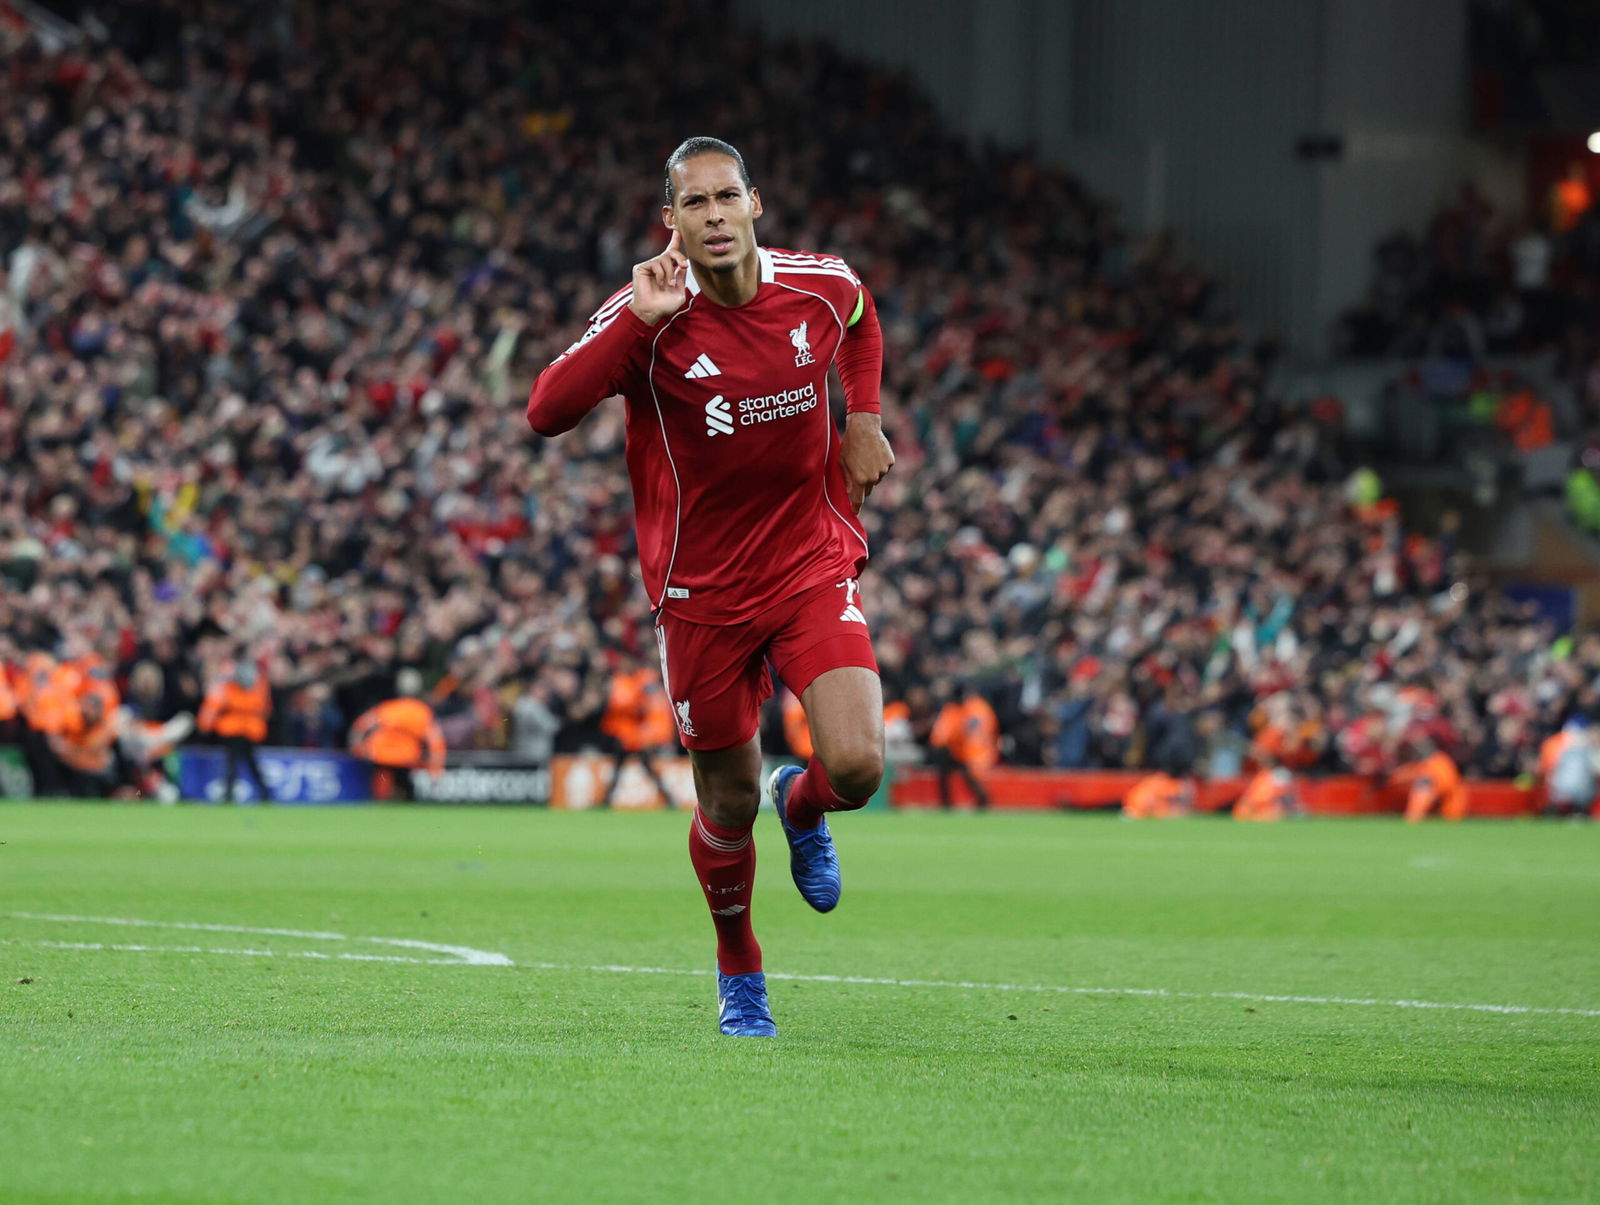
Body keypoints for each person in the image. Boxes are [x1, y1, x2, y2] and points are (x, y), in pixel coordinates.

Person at [526, 136, 895, 1037]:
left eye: (728, 197)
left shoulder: (819, 284)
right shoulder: (648, 311)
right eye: (695, 204)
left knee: (857, 765)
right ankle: (741, 970)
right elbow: (546, 411)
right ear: (672, 223)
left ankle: (801, 803)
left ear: (755, 204)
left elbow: (862, 321)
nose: (715, 215)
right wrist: (637, 325)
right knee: (723, 803)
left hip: (808, 563)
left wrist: (865, 419)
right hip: (701, 596)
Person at [349, 668, 447, 802]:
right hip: (405, 759)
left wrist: (358, 749)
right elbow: (435, 742)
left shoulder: (387, 708)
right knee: (406, 797)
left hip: (380, 757)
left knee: (379, 796)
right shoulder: (422, 711)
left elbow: (359, 727)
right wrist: (436, 768)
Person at [597, 651, 676, 809]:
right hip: (626, 736)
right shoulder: (621, 680)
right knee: (622, 768)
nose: (623, 666)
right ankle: (606, 800)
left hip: (639, 736)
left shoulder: (645, 680)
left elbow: (649, 707)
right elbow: (617, 705)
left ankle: (668, 798)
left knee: (637, 767)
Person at [198, 660, 275, 804]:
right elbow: (214, 706)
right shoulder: (228, 686)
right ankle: (236, 794)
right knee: (236, 763)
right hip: (234, 731)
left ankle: (259, 794)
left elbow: (264, 709)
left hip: (248, 732)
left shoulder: (256, 686)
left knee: (245, 764)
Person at [929, 685, 998, 809]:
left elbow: (977, 732)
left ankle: (983, 800)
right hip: (955, 750)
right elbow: (941, 736)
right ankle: (946, 802)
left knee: (970, 776)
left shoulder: (974, 708)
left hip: (968, 751)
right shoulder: (954, 709)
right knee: (946, 773)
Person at [1391, 741, 1467, 823]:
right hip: (1444, 788)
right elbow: (1401, 775)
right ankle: (1414, 819)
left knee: (1452, 818)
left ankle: (1413, 819)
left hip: (1449, 790)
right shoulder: (1438, 760)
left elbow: (1445, 781)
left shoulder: (1438, 761)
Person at [1538, 717, 1597, 819]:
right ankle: (1579, 812)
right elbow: (1595, 771)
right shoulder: (1588, 750)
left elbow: (1548, 769)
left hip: (1558, 790)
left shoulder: (1557, 745)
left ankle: (1558, 811)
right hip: (1581, 792)